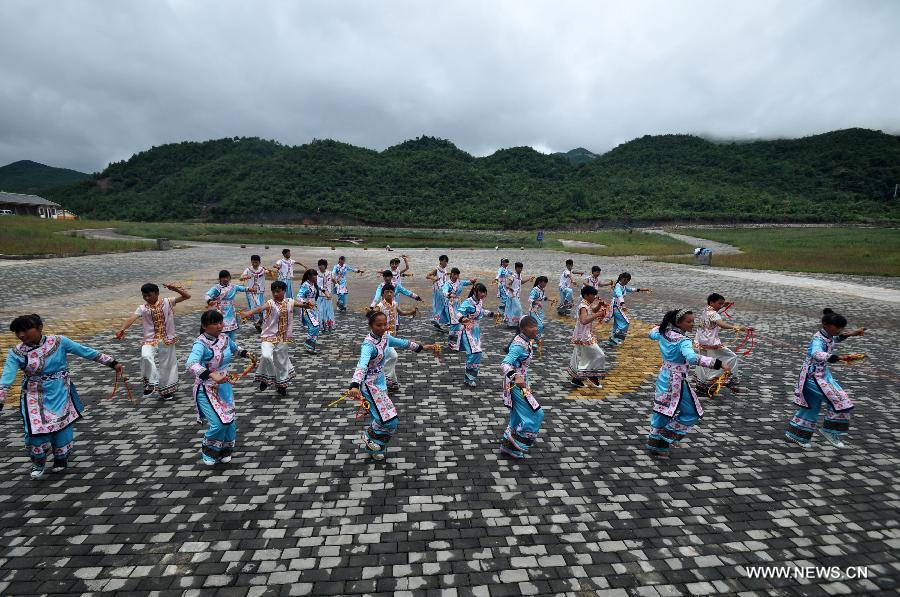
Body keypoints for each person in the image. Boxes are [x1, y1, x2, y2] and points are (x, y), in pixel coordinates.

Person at [0, 314, 123, 479]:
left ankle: (61, 458)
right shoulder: (16, 352)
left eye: (25, 330)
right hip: (34, 394)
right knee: (34, 430)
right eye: (17, 332)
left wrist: (112, 363)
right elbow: (7, 376)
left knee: (61, 425)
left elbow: (85, 352)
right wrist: (1, 397)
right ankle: (38, 461)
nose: (21, 335)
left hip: (60, 390)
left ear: (39, 328)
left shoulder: (59, 342)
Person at [347, 310, 439, 461]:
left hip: (380, 383)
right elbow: (361, 366)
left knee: (387, 419)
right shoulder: (368, 346)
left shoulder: (385, 338)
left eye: (385, 324)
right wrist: (354, 385)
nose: (383, 328)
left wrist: (425, 347)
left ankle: (374, 449)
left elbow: (404, 343)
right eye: (378, 325)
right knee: (389, 421)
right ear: (370, 325)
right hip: (370, 386)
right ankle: (368, 436)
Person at [645, 309, 727, 459]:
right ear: (678, 322)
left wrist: (658, 327)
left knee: (662, 410)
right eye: (688, 321)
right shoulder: (683, 341)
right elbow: (691, 358)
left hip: (664, 377)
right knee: (692, 412)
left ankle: (654, 443)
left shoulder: (665, 332)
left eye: (692, 321)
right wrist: (717, 363)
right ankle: (663, 441)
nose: (692, 324)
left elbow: (651, 334)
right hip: (676, 381)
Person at [785, 309, 865, 449]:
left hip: (818, 374)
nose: (839, 330)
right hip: (814, 377)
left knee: (811, 407)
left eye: (841, 327)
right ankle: (831, 431)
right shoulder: (818, 339)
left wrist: (853, 333)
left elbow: (837, 338)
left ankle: (796, 435)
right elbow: (817, 354)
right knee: (840, 401)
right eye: (837, 327)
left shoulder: (828, 335)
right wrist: (839, 357)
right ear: (825, 324)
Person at [186, 310, 251, 465]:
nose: (219, 326)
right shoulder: (200, 343)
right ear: (204, 326)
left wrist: (248, 354)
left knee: (230, 420)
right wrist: (210, 374)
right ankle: (209, 451)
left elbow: (236, 349)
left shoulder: (225, 338)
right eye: (214, 323)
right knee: (219, 422)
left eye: (220, 322)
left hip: (224, 386)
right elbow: (190, 364)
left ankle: (225, 451)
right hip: (207, 388)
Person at [115, 282, 190, 400]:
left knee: (167, 365)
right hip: (150, 340)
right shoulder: (142, 308)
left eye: (149, 295)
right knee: (145, 356)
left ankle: (166, 390)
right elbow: (131, 318)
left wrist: (175, 289)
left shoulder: (167, 302)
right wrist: (122, 329)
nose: (146, 298)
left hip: (167, 339)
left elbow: (187, 296)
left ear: (157, 294)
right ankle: (151, 383)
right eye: (144, 296)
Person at [240, 281, 297, 396]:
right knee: (266, 356)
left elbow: (301, 304)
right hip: (268, 337)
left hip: (282, 337)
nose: (275, 294)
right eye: (273, 291)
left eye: (278, 291)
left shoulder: (289, 302)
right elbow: (260, 308)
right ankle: (266, 378)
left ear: (284, 291)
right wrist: (249, 313)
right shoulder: (270, 303)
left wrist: (308, 305)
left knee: (281, 362)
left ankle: (281, 385)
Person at [499, 315, 544, 459]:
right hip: (515, 385)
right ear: (523, 328)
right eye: (531, 326)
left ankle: (508, 447)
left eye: (535, 325)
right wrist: (516, 376)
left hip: (522, 382)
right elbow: (505, 363)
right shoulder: (519, 345)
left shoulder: (526, 339)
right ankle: (519, 443)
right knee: (537, 413)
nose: (535, 329)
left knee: (517, 417)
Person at [694, 293, 752, 396]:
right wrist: (737, 327)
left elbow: (715, 313)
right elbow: (721, 324)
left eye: (722, 304)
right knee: (732, 357)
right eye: (719, 303)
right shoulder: (714, 314)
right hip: (711, 343)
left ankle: (703, 386)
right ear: (712, 303)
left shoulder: (706, 311)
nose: (721, 306)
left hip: (702, 342)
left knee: (704, 364)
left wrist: (723, 305)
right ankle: (729, 380)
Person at [372, 284, 418, 392]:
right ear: (383, 294)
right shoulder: (380, 305)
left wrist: (411, 312)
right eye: (387, 292)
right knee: (393, 356)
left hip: (392, 336)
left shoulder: (394, 303)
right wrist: (371, 313)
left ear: (394, 294)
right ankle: (386, 378)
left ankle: (392, 382)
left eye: (391, 292)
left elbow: (401, 313)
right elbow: (374, 312)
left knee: (387, 358)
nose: (389, 294)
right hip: (383, 337)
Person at [453, 283, 495, 387]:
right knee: (476, 352)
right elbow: (457, 313)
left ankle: (469, 377)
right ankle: (469, 377)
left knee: (474, 353)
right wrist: (463, 319)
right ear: (475, 291)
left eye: (484, 292)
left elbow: (481, 311)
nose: (483, 294)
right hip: (468, 330)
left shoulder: (480, 301)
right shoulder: (468, 302)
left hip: (476, 330)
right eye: (481, 292)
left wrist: (492, 314)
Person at [568, 286, 609, 388]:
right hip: (584, 337)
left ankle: (576, 379)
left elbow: (592, 311)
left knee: (581, 356)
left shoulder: (587, 304)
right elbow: (584, 320)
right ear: (586, 295)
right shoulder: (583, 306)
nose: (594, 297)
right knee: (599, 354)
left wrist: (599, 306)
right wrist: (599, 314)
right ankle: (592, 375)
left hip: (584, 335)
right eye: (593, 295)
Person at [607, 272, 650, 346]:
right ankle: (616, 338)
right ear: (621, 278)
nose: (626, 281)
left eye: (628, 280)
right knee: (625, 322)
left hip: (618, 306)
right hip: (616, 307)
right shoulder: (618, 286)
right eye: (625, 280)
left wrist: (642, 289)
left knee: (617, 324)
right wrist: (623, 304)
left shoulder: (622, 286)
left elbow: (631, 289)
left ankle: (612, 341)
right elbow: (619, 295)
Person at [205, 270, 249, 342]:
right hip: (220, 311)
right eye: (223, 278)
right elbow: (207, 295)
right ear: (220, 279)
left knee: (232, 331)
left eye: (227, 277)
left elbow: (243, 288)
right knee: (221, 329)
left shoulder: (233, 287)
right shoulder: (216, 288)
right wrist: (209, 301)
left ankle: (231, 346)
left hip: (231, 311)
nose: (225, 279)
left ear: (229, 278)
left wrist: (250, 289)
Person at [441, 268, 475, 346]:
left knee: (459, 321)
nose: (456, 276)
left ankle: (457, 340)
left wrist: (472, 281)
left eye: (458, 274)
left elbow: (468, 282)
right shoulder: (447, 283)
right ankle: (451, 341)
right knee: (454, 322)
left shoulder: (460, 282)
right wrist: (449, 294)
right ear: (452, 274)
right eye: (455, 274)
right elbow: (444, 291)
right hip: (449, 304)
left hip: (458, 305)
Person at [239, 255, 269, 332]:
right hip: (251, 292)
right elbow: (241, 278)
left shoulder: (262, 269)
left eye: (256, 262)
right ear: (251, 262)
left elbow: (269, 273)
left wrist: (268, 271)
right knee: (256, 306)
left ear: (259, 262)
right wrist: (247, 277)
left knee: (262, 307)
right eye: (253, 262)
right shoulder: (248, 270)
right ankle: (257, 322)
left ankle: (260, 322)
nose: (255, 264)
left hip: (260, 292)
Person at [296, 269, 322, 354]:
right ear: (309, 277)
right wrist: (305, 302)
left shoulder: (313, 284)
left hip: (314, 308)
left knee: (317, 327)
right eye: (314, 276)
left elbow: (319, 289)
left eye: (316, 276)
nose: (316, 278)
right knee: (314, 326)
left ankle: (311, 346)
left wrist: (326, 292)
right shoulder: (305, 285)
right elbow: (299, 296)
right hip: (306, 309)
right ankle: (308, 343)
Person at [502, 262, 534, 328]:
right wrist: (510, 287)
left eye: (521, 268)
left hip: (516, 295)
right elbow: (508, 284)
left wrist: (529, 278)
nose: (520, 269)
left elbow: (520, 282)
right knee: (518, 309)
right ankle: (517, 323)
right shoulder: (513, 275)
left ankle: (512, 324)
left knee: (513, 310)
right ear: (516, 268)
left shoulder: (519, 275)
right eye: (519, 268)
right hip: (512, 295)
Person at [426, 255, 450, 331]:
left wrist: (451, 273)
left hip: (444, 289)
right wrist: (434, 278)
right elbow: (427, 276)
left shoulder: (444, 269)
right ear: (440, 261)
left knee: (445, 305)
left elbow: (444, 275)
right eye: (445, 261)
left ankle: (447, 321)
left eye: (447, 261)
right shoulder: (436, 269)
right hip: (439, 290)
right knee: (440, 306)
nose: (446, 263)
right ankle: (436, 320)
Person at [528, 276, 552, 341]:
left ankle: (533, 338)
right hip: (533, 311)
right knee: (540, 326)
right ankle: (535, 339)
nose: (545, 284)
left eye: (546, 283)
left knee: (537, 325)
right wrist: (536, 302)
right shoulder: (534, 290)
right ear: (540, 282)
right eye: (545, 283)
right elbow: (530, 299)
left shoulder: (542, 289)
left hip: (540, 310)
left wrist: (551, 300)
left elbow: (543, 297)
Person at [316, 259, 336, 332]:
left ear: (325, 266)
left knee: (329, 312)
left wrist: (336, 283)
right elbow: (316, 285)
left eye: (321, 265)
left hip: (328, 297)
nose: (320, 267)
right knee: (320, 311)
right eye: (319, 265)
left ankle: (330, 325)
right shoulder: (316, 274)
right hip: (319, 296)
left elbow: (333, 280)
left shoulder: (330, 273)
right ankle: (321, 325)